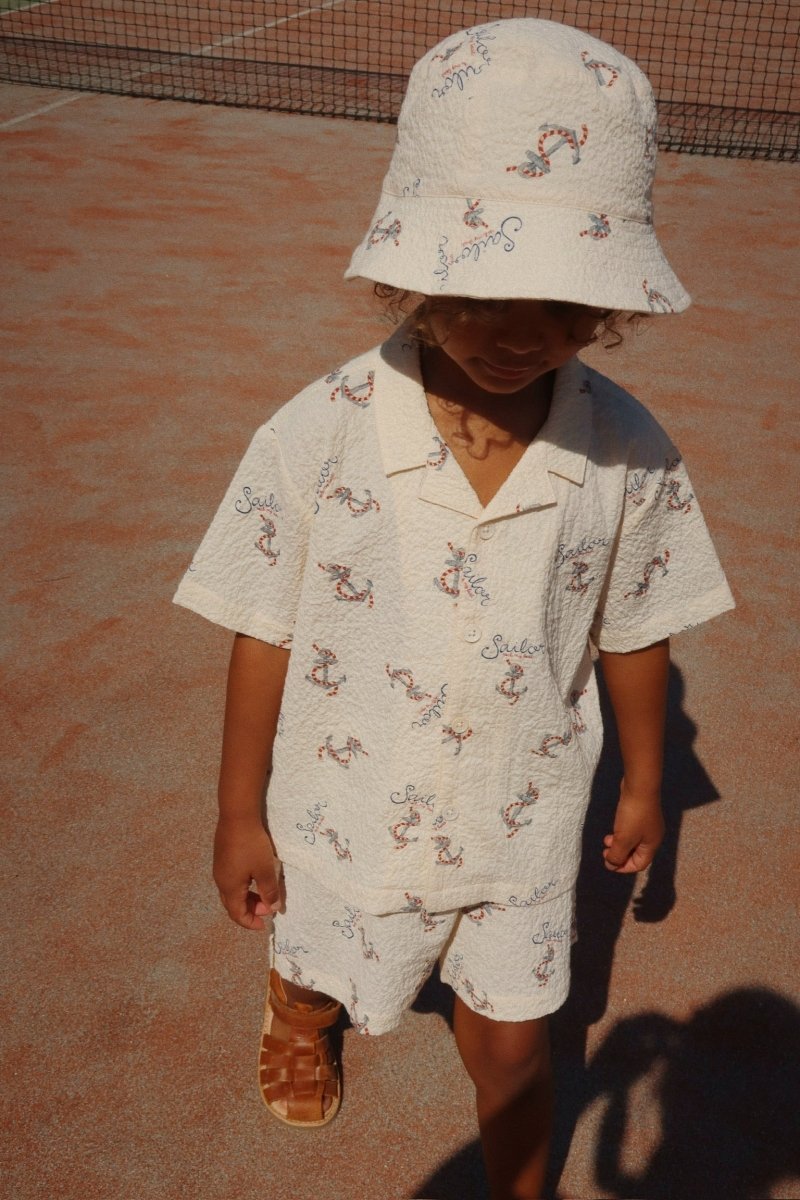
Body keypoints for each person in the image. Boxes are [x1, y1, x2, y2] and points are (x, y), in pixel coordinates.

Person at [174, 18, 734, 1200]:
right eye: (477, 289)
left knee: (514, 1040)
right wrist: (237, 811)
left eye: (559, 300)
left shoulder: (628, 451)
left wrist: (643, 783)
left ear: (605, 303)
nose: (515, 332)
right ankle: (297, 1006)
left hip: (520, 816)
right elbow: (260, 619)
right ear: (414, 269)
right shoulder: (320, 427)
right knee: (326, 939)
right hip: (344, 796)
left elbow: (635, 624)